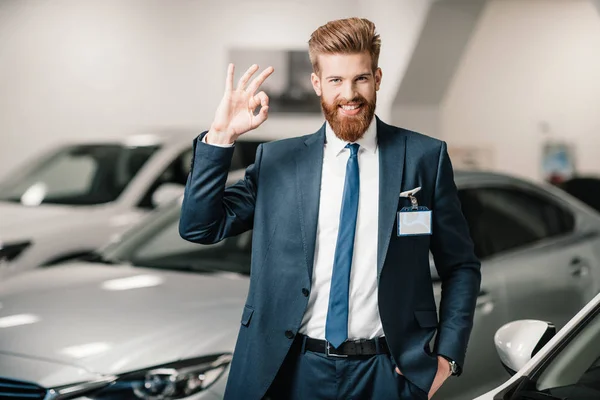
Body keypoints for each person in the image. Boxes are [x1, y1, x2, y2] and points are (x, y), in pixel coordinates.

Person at [179, 17, 481, 400]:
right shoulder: (278, 160)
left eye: (361, 79)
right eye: (336, 80)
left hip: (388, 373)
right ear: (317, 83)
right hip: (290, 370)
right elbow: (200, 227)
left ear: (378, 78)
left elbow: (462, 266)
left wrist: (447, 357)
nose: (350, 94)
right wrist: (220, 137)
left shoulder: (424, 157)